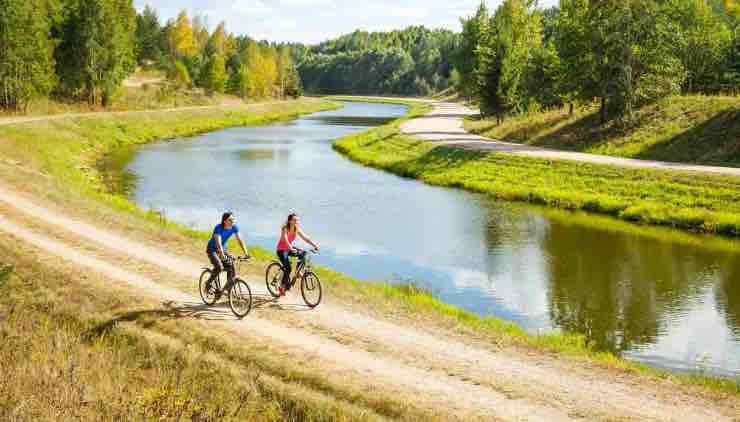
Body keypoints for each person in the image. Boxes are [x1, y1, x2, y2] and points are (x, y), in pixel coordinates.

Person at [276, 213, 319, 296]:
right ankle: (281, 286)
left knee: (303, 253)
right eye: (294, 220)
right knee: (288, 268)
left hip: (289, 248)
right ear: (289, 221)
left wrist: (315, 245)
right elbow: (285, 239)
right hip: (281, 250)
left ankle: (297, 271)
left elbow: (305, 238)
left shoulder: (296, 228)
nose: (296, 221)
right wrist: (290, 247)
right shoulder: (285, 228)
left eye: (297, 220)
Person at [206, 212, 250, 291]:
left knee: (231, 265)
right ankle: (208, 283)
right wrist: (222, 255)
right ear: (224, 221)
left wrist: (246, 253)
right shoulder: (218, 228)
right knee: (219, 267)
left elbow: (240, 240)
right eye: (230, 220)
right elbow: (218, 243)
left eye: (233, 219)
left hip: (223, 250)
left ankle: (228, 288)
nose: (232, 221)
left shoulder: (234, 227)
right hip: (212, 250)